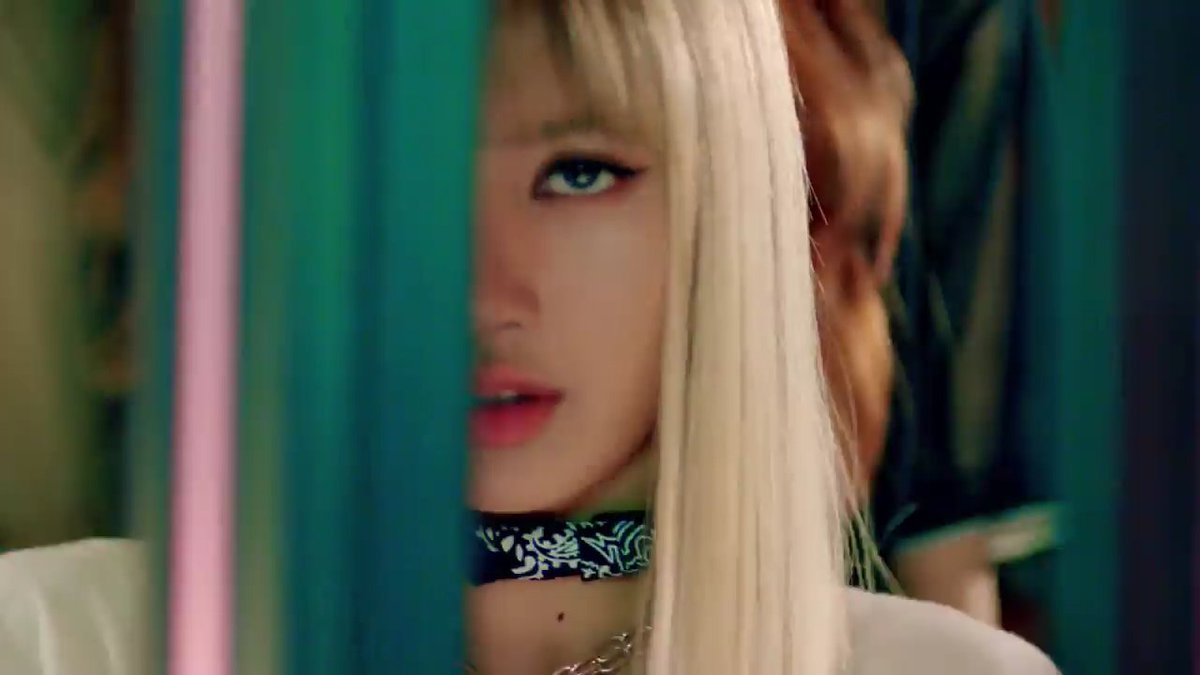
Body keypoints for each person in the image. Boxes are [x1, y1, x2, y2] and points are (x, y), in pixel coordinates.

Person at [0, 1, 1059, 673]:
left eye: (579, 174)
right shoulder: (48, 641)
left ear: (722, 215)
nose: (477, 293)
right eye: (406, 174)